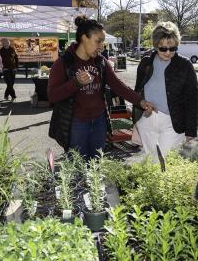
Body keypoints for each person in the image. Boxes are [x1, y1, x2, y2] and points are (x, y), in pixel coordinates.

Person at [48, 15, 155, 160]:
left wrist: (140, 101)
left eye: (102, 42)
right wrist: (76, 83)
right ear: (84, 38)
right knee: (78, 166)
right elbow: (52, 96)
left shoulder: (100, 62)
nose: (101, 46)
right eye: (98, 41)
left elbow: (118, 85)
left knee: (96, 165)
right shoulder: (63, 63)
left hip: (99, 122)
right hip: (76, 123)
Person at [133, 21, 198, 157]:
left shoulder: (185, 66)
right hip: (148, 119)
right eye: (163, 48)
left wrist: (191, 130)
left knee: (165, 162)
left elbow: (192, 99)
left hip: (173, 122)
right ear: (156, 46)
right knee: (150, 161)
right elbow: (138, 91)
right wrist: (137, 117)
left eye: (172, 48)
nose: (168, 52)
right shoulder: (146, 63)